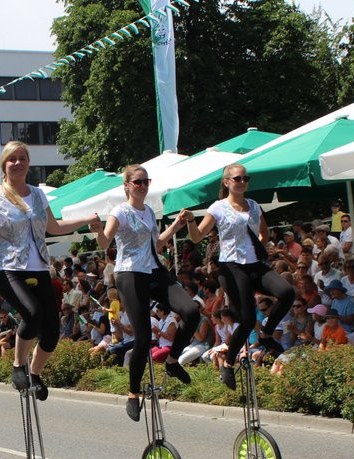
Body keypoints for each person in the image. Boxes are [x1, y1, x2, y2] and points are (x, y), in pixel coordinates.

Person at [0, 141, 103, 398]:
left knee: (52, 331)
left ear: (28, 163)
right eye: (12, 159)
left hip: (38, 266)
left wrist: (86, 220)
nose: (17, 163)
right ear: (4, 165)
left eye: (22, 158)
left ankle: (35, 372)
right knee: (32, 312)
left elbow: (54, 226)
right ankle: (18, 365)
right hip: (8, 268)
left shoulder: (38, 195)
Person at [95, 164, 199, 420]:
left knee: (192, 311)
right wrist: (98, 230)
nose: (143, 186)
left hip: (154, 270)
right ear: (127, 186)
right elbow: (105, 241)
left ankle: (173, 361)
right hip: (130, 273)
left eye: (145, 182)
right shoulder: (119, 212)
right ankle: (133, 392)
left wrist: (175, 225)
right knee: (142, 337)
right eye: (138, 182)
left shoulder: (150, 212)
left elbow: (158, 243)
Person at [187, 163, 293, 388]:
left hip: (254, 263)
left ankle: (265, 333)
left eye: (246, 178)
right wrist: (188, 221)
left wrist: (260, 246)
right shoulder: (218, 207)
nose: (242, 181)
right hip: (231, 266)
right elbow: (197, 237)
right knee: (245, 320)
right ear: (226, 182)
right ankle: (228, 364)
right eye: (237, 178)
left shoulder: (254, 206)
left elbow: (264, 231)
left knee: (287, 292)